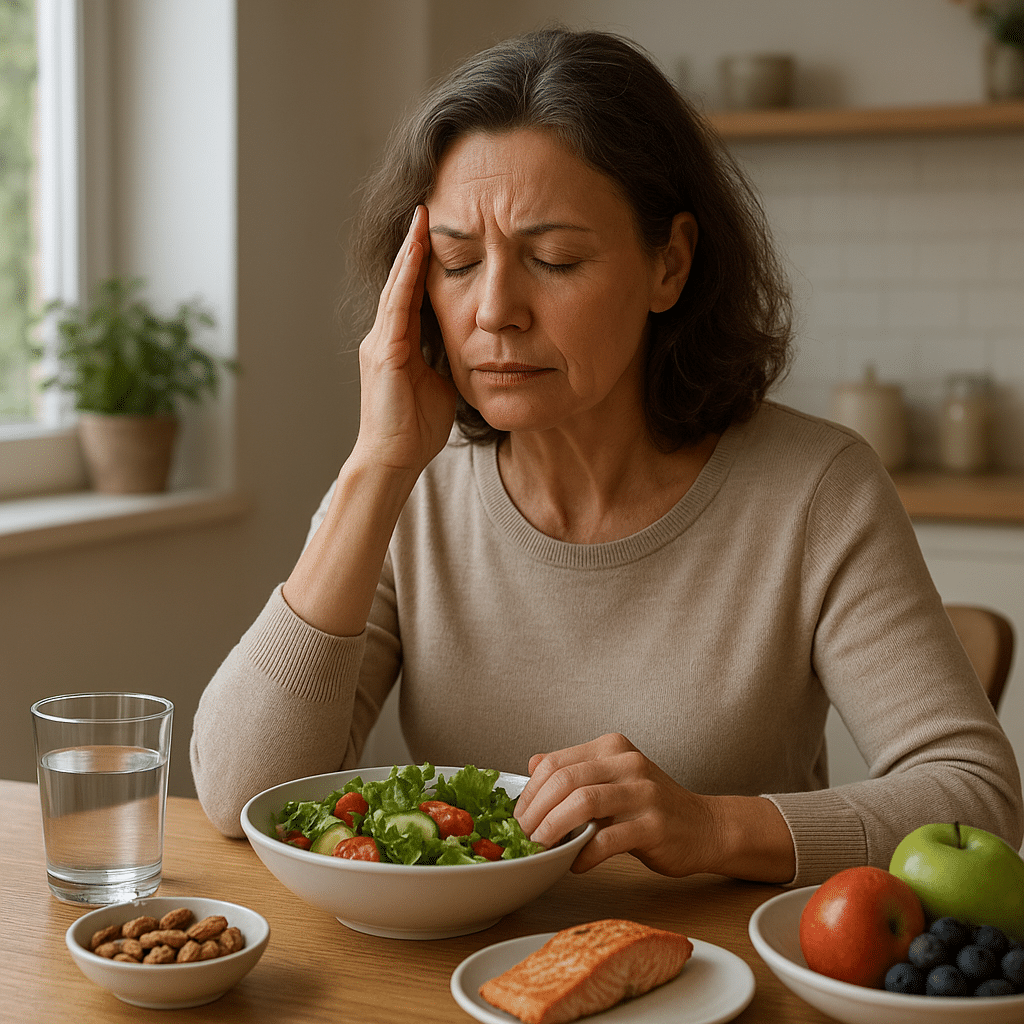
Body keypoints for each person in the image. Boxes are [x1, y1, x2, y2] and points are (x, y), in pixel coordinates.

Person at [191, 27, 1022, 885]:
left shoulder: (816, 490)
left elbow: (978, 798)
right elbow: (237, 791)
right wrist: (376, 467)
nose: (496, 310)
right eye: (457, 261)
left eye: (553, 259)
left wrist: (718, 827)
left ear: (670, 265)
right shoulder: (411, 486)